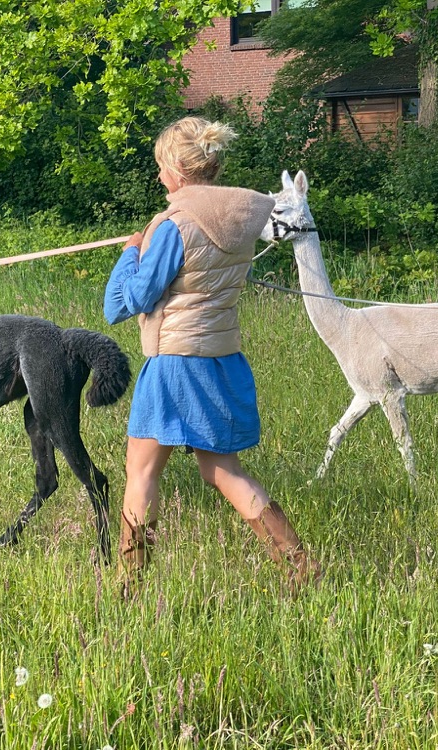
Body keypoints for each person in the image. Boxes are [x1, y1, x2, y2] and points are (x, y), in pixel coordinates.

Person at [103, 116, 320, 595]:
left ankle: (128, 587)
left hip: (174, 363)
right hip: (221, 358)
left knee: (140, 472)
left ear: (179, 169)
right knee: (223, 469)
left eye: (161, 167)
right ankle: (300, 566)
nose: (159, 177)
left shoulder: (172, 224)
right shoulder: (243, 215)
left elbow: (124, 303)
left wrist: (130, 252)